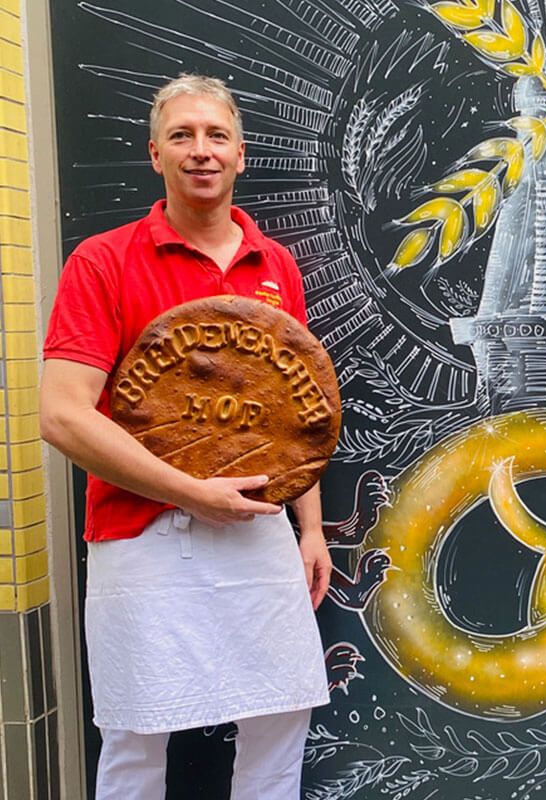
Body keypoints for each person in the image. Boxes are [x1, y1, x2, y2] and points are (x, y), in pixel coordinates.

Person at [40, 74, 332, 799]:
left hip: (258, 528)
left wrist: (312, 531)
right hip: (142, 530)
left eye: (215, 136)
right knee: (138, 733)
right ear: (155, 154)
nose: (200, 151)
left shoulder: (278, 267)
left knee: (280, 715)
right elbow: (62, 414)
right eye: (182, 136)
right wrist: (190, 493)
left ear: (240, 154)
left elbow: (296, 421)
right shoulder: (103, 261)